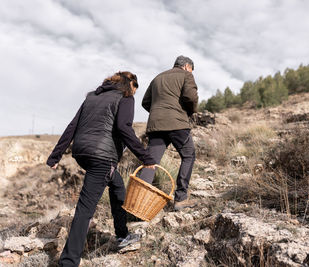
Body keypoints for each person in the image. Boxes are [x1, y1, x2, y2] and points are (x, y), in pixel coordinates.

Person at [46, 71, 156, 267]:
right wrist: (146, 157)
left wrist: (56, 155)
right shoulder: (126, 97)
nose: (134, 93)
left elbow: (73, 125)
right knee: (85, 209)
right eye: (135, 89)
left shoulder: (92, 97)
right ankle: (69, 262)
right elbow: (124, 128)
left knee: (117, 186)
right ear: (131, 85)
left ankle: (122, 235)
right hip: (102, 157)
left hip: (82, 153)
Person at [140, 55, 198, 211]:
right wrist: (189, 112)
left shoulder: (157, 78)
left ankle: (139, 203)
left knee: (150, 162)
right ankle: (180, 199)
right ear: (186, 66)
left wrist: (158, 112)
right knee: (188, 155)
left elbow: (145, 102)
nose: (191, 72)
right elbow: (190, 97)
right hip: (177, 124)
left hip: (156, 125)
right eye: (191, 70)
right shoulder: (186, 75)